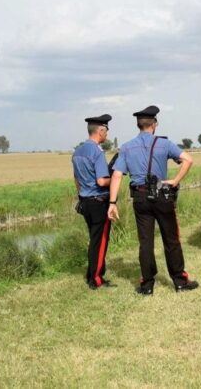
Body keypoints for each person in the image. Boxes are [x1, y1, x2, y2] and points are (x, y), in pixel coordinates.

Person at [108, 105, 198, 295]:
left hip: (140, 197)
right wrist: (174, 181)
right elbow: (188, 160)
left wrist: (112, 203)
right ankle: (180, 281)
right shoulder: (164, 144)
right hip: (162, 195)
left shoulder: (126, 147)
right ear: (154, 124)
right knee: (171, 239)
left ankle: (147, 284)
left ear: (138, 125)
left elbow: (117, 175)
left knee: (145, 241)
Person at [72, 114, 116, 290]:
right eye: (106, 131)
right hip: (99, 202)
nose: (107, 135)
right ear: (100, 130)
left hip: (85, 202)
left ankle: (91, 273)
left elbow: (76, 179)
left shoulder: (77, 152)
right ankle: (96, 279)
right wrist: (115, 177)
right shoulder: (97, 152)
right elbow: (101, 181)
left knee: (94, 239)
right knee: (100, 241)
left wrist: (82, 195)